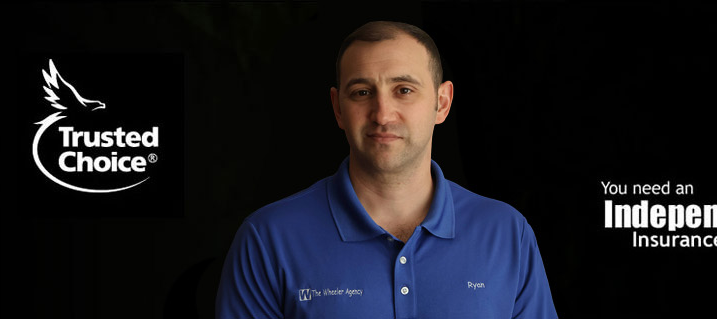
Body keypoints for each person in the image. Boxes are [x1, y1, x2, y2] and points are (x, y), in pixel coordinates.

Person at [215, 21, 557, 318]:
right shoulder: (268, 239)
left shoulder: (507, 233)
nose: (382, 114)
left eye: (404, 90)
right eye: (362, 92)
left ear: (442, 103)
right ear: (337, 108)